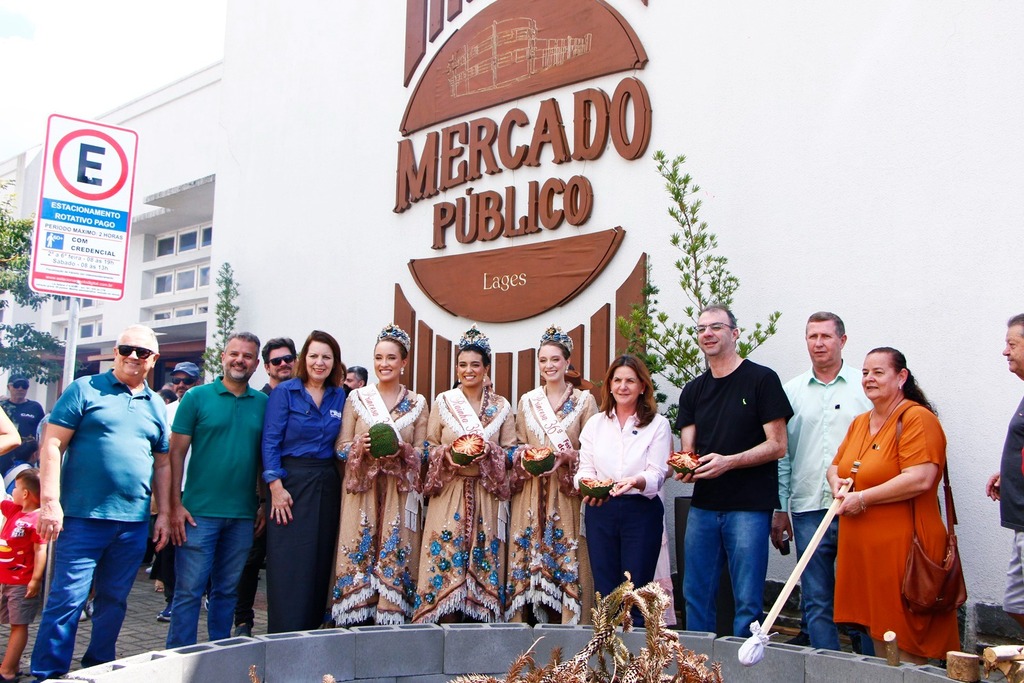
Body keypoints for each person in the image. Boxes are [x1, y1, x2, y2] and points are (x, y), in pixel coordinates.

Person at [30, 324, 171, 681]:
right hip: (81, 518)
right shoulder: (84, 389)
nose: (133, 357)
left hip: (132, 523)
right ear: (115, 350)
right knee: (66, 601)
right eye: (127, 349)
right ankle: (47, 673)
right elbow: (51, 444)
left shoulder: (155, 403)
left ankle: (99, 666)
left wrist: (165, 513)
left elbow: (164, 462)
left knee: (114, 602)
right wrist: (50, 502)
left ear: (153, 359)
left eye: (142, 352)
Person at [828, 347, 959, 663]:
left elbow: (921, 478)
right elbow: (837, 466)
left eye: (878, 372)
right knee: (879, 634)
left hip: (905, 548)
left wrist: (863, 498)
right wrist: (838, 486)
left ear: (901, 377)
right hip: (865, 549)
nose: (869, 379)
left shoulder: (916, 419)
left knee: (906, 639)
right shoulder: (861, 421)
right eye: (864, 372)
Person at [674, 304, 792, 637]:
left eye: (716, 327)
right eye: (701, 329)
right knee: (695, 594)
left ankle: (744, 667)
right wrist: (684, 468)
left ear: (735, 333)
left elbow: (778, 445)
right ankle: (696, 666)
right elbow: (688, 451)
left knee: (747, 601)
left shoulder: (762, 380)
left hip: (749, 507)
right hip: (704, 507)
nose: (707, 334)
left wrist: (729, 460)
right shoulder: (694, 390)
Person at [771, 312, 871, 651]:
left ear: (842, 341)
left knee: (862, 596)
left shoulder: (865, 386)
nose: (818, 343)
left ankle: (869, 671)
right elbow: (784, 455)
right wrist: (780, 507)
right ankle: (825, 664)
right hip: (808, 507)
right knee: (816, 598)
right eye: (812, 336)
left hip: (858, 505)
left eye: (826, 336)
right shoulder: (792, 391)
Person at [165, 332, 268, 647]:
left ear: (256, 363)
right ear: (223, 357)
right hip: (198, 514)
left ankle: (218, 654)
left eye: (247, 356)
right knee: (189, 592)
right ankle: (178, 659)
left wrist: (263, 502)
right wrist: (174, 505)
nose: (240, 360)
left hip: (242, 515)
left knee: (226, 591)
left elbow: (267, 458)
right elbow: (175, 455)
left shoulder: (264, 403)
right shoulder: (196, 398)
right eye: (234, 353)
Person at [413, 325, 515, 623]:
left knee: (484, 559)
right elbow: (427, 448)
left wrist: (489, 452)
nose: (468, 370)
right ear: (456, 368)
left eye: (475, 365)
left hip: (486, 494)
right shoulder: (443, 401)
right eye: (463, 365)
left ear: (486, 368)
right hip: (450, 492)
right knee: (444, 556)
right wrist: (449, 453)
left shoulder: (501, 406)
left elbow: (511, 451)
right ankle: (441, 621)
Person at [332, 324, 428, 625]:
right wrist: (360, 446)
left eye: (390, 358)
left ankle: (392, 612)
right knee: (359, 547)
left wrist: (404, 450)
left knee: (396, 550)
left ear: (404, 362)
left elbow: (424, 451)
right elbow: (340, 447)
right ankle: (355, 615)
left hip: (399, 493)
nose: (383, 364)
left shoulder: (418, 403)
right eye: (378, 357)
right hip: (364, 490)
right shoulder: (357, 398)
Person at [506, 326, 598, 624]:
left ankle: (570, 619)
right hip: (531, 492)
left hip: (565, 493)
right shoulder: (527, 400)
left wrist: (570, 456)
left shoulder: (585, 401)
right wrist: (529, 456)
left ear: (567, 362)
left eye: (555, 360)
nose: (549, 366)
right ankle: (526, 620)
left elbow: (594, 451)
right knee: (528, 552)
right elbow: (517, 445)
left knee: (566, 553)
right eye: (543, 360)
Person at [574, 354, 671, 624]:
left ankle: (636, 658)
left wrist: (637, 481)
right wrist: (586, 487)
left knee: (635, 592)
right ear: (609, 385)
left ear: (643, 386)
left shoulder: (658, 425)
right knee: (606, 591)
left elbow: (658, 472)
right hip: (600, 509)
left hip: (640, 510)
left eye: (630, 380)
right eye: (617, 380)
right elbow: (584, 469)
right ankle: (606, 656)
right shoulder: (595, 423)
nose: (623, 386)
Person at [262, 330, 347, 633]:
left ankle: (312, 632)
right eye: (314, 356)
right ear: (303, 360)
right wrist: (275, 487)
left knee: (320, 562)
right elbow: (270, 441)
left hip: (326, 484)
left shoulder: (340, 395)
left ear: (334, 361)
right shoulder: (285, 392)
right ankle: (284, 634)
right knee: (290, 564)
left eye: (326, 356)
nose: (319, 362)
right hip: (290, 485)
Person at [233, 336, 296, 637]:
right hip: (261, 495)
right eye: (276, 361)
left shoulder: (303, 396)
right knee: (251, 558)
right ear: (266, 366)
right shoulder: (259, 401)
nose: (283, 364)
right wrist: (261, 499)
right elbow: (254, 453)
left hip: (297, 492)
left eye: (288, 358)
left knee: (288, 560)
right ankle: (243, 621)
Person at [987, 314, 1024, 629]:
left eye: (1012, 344)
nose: (1005, 351)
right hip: (1020, 522)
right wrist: (1007, 473)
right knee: (1015, 604)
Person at [0, 469, 46, 682]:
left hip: (21, 583)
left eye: (16, 488)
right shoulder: (13, 511)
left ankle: (7, 671)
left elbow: (40, 550)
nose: (12, 493)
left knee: (18, 625)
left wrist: (35, 579)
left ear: (26, 493)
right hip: (3, 581)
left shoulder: (36, 519)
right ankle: (12, 664)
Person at [0, 376, 45, 475]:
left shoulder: (35, 408)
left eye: (24, 386)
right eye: (17, 385)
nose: (20, 389)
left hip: (26, 458)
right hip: (4, 455)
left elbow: (41, 433)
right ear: (9, 387)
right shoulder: (2, 406)